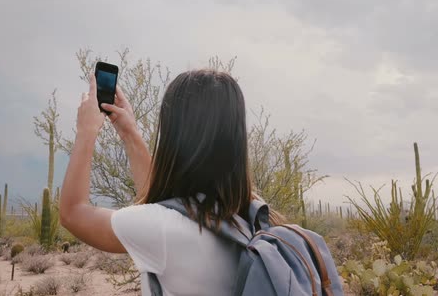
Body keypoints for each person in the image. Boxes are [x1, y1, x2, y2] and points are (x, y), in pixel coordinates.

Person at [60, 69, 281, 296]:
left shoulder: (165, 230)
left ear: (174, 138)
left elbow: (73, 213)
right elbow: (164, 203)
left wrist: (86, 131)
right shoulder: (252, 215)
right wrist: (129, 133)